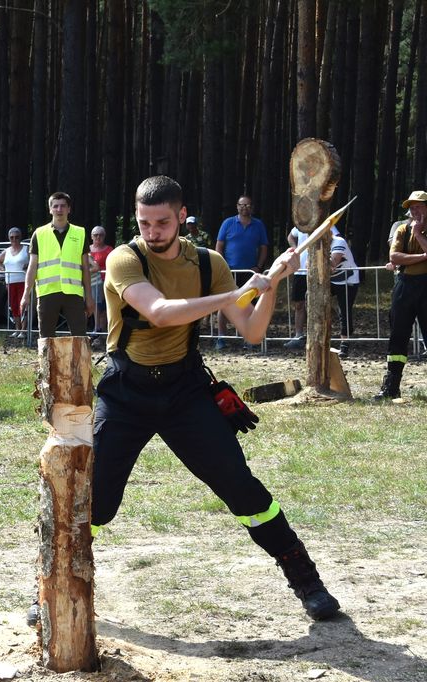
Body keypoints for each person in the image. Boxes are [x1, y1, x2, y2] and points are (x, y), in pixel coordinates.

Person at [91, 175, 339, 621]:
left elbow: (252, 331)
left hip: (185, 391)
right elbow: (159, 313)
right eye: (144, 223)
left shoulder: (209, 264)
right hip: (126, 392)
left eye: (163, 223)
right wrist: (237, 292)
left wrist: (273, 283)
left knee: (241, 487)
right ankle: (51, 582)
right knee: (94, 501)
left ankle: (307, 581)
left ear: (182, 216)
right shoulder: (124, 259)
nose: (153, 232)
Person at [20, 191, 92, 338]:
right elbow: (32, 267)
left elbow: (85, 267)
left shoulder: (80, 233)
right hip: (47, 293)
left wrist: (89, 297)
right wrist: (26, 294)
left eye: (63, 206)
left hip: (74, 293)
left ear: (69, 209)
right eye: (56, 206)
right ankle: (47, 356)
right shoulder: (39, 234)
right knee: (46, 338)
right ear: (50, 209)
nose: (59, 209)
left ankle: (78, 356)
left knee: (80, 338)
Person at [377, 190, 427, 399]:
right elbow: (395, 257)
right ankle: (391, 387)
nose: (415, 211)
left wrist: (418, 234)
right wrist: (424, 256)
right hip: (405, 285)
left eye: (419, 207)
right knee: (398, 335)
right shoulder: (401, 230)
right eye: (412, 208)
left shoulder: (414, 231)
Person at [214, 196, 270, 350]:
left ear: (252, 207)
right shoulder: (228, 223)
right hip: (230, 271)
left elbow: (264, 247)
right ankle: (221, 337)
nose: (244, 207)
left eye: (248, 205)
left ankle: (249, 338)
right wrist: (222, 265)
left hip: (250, 272)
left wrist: (259, 266)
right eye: (242, 205)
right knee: (224, 303)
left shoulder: (258, 225)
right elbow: (219, 245)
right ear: (237, 206)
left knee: (250, 305)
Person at [329, 226, 360, 356]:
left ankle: (344, 343)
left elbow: (332, 263)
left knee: (344, 310)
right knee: (310, 296)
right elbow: (309, 264)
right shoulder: (316, 245)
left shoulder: (339, 242)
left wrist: (318, 255)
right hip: (332, 280)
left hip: (348, 280)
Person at [283, 222, 312, 349]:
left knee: (315, 304)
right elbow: (290, 236)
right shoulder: (302, 224)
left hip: (316, 271)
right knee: (299, 304)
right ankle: (298, 336)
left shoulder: (324, 222)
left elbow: (335, 237)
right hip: (300, 271)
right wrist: (296, 249)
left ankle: (315, 336)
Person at [0, 227, 29, 330]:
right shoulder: (7, 251)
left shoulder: (26, 249)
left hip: (23, 281)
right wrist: (3, 269)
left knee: (23, 306)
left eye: (17, 237)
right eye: (12, 237)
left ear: (20, 237)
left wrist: (28, 265)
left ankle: (23, 330)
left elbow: (34, 260)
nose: (14, 239)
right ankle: (17, 329)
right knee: (13, 306)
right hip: (10, 282)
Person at [88, 226, 112, 336]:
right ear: (91, 236)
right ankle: (85, 333)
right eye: (95, 235)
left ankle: (101, 334)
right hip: (88, 282)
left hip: (104, 282)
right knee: (89, 308)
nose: (98, 237)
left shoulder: (109, 250)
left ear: (104, 236)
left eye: (101, 235)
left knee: (101, 308)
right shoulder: (86, 250)